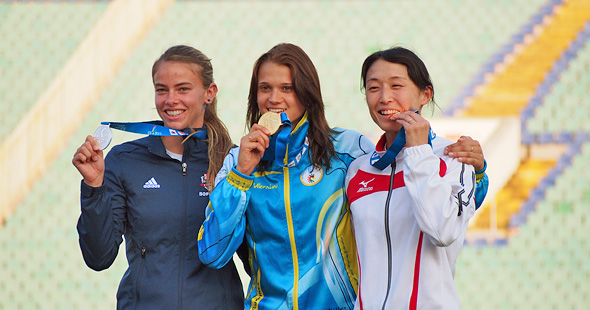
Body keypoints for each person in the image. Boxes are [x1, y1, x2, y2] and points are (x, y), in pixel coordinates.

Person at [197, 43, 488, 310]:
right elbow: (212, 253)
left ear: (307, 91)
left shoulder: (349, 150)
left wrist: (478, 173)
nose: (275, 99)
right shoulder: (239, 161)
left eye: (287, 87)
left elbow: (447, 211)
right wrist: (241, 176)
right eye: (265, 88)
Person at [72, 45, 243, 309]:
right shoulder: (124, 159)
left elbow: (257, 255)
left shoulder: (231, 163)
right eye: (161, 89)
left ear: (209, 93)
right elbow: (99, 257)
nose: (170, 99)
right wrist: (94, 187)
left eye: (183, 89)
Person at [345, 46, 477, 309]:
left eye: (397, 86)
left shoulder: (454, 158)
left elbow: (442, 231)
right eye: (373, 88)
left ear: (425, 94)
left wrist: (418, 152)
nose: (384, 98)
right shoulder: (358, 170)